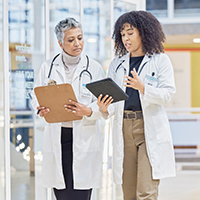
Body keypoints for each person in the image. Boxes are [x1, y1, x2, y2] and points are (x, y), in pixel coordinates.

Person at [97, 11, 176, 200]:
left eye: (130, 33)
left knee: (146, 191)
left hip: (148, 126)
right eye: (122, 34)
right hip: (123, 127)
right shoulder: (116, 64)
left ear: (143, 32)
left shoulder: (160, 60)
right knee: (128, 191)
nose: (126, 38)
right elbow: (114, 99)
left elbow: (168, 94)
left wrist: (143, 88)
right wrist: (103, 108)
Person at [31, 18, 105, 200]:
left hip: (84, 136)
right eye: (71, 40)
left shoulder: (94, 68)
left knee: (81, 193)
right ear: (60, 43)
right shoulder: (47, 67)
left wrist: (88, 111)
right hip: (59, 136)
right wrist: (40, 109)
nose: (77, 43)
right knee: (62, 193)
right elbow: (36, 95)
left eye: (80, 38)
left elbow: (103, 102)